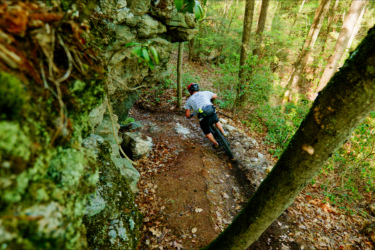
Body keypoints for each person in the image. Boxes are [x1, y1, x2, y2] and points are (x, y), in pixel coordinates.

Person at [185, 83, 226, 149]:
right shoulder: (205, 93)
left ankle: (216, 143)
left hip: (204, 117)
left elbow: (187, 114)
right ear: (198, 89)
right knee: (216, 120)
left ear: (190, 91)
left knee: (207, 131)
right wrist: (211, 100)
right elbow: (215, 96)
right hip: (211, 110)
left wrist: (190, 116)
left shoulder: (189, 100)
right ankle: (223, 132)